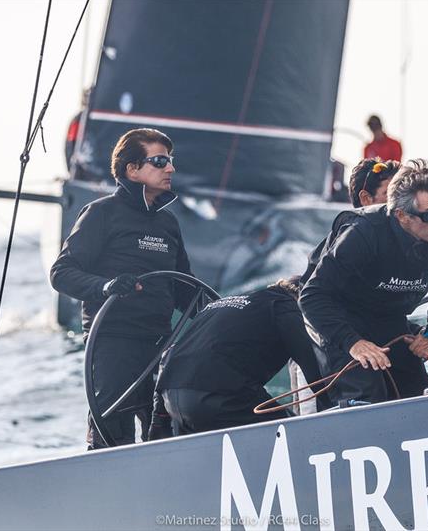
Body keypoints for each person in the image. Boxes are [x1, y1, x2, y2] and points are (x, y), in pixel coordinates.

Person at [50, 128, 193, 449]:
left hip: (160, 344)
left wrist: (227, 312)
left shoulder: (168, 224)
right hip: (113, 344)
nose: (170, 168)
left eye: (170, 161)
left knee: (170, 435)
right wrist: (106, 286)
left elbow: (185, 289)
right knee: (113, 438)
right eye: (159, 161)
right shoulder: (100, 214)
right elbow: (61, 273)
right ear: (132, 169)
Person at [300, 159, 428, 404]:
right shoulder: (363, 233)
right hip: (338, 319)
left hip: (389, 319)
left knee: (420, 393)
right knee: (368, 391)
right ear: (401, 215)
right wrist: (353, 343)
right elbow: (312, 296)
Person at [149, 277, 331, 437]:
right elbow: (314, 369)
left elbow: (171, 353)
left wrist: (159, 420)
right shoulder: (285, 306)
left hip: (172, 399)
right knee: (293, 433)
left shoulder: (222, 305)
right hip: (217, 398)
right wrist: (335, 410)